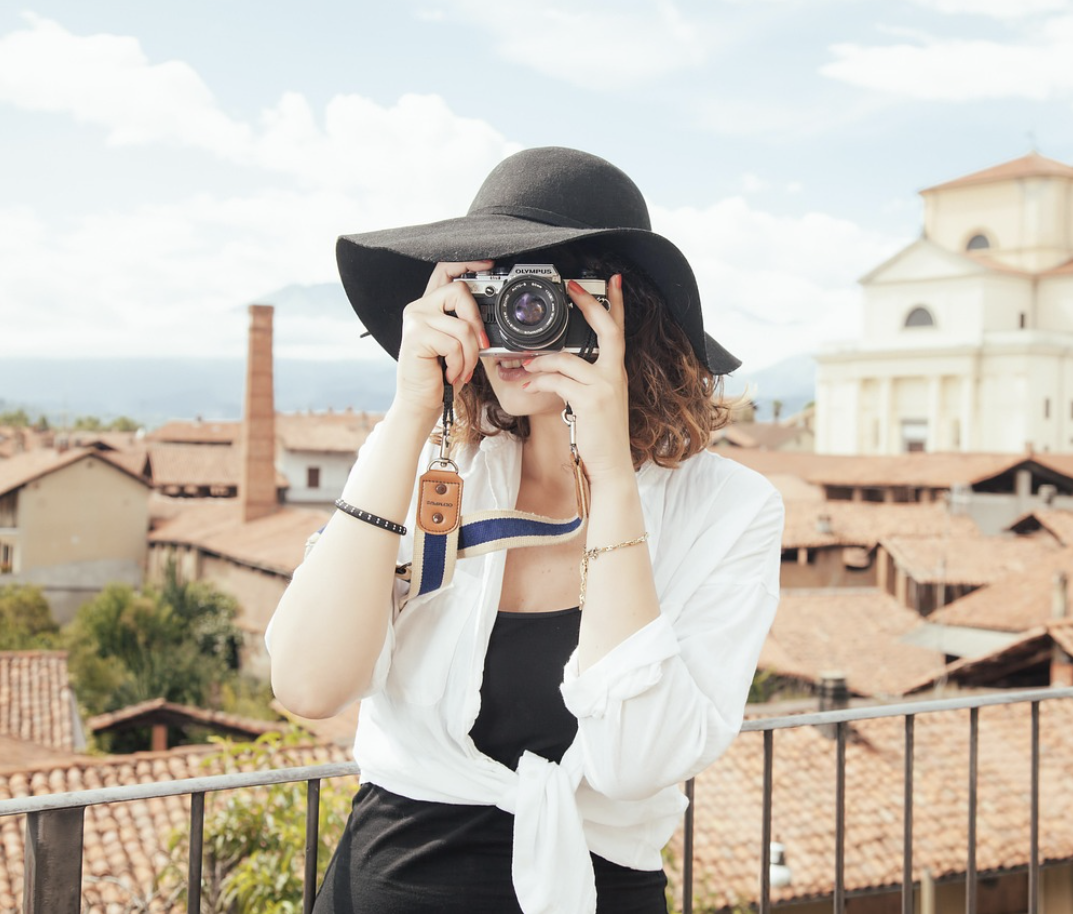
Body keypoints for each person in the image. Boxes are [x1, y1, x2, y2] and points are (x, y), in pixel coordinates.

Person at [266, 146, 784, 914]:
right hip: (389, 883)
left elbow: (636, 761)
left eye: (543, 289)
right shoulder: (429, 464)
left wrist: (609, 475)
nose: (517, 316)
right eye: (490, 287)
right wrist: (411, 411)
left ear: (624, 309)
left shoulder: (730, 510)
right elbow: (308, 685)